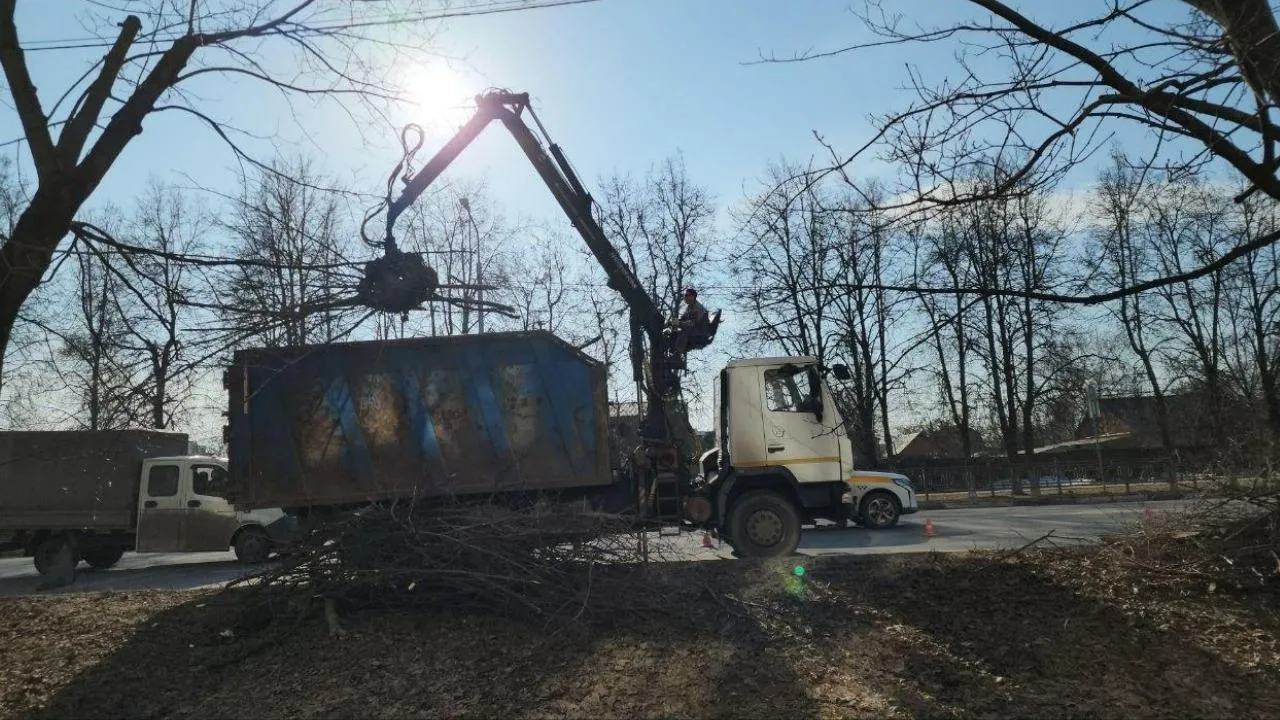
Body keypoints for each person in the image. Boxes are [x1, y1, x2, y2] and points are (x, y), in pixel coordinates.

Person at [671, 287, 710, 360]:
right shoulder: (689, 307)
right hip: (694, 329)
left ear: (693, 296)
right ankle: (673, 351)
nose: (685, 297)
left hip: (701, 332)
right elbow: (683, 319)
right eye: (685, 295)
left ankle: (677, 355)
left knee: (684, 332)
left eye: (687, 295)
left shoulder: (697, 307)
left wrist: (679, 323)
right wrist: (673, 322)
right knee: (675, 333)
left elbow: (692, 323)